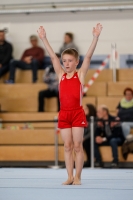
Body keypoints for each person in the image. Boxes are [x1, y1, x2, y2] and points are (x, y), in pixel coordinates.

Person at [37, 23, 102, 185]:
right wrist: (44, 39)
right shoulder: (60, 75)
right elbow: (53, 57)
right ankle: (69, 176)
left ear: (76, 62)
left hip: (77, 112)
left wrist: (95, 37)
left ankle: (78, 176)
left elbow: (88, 57)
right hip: (64, 113)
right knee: (67, 146)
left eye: (69, 61)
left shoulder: (80, 75)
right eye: (64, 61)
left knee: (78, 145)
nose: (66, 64)